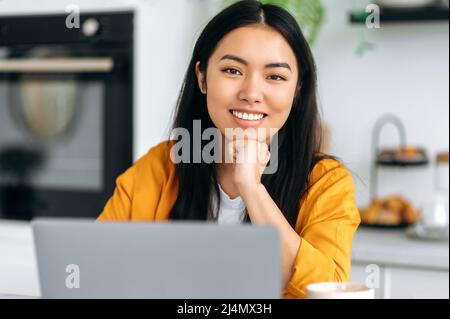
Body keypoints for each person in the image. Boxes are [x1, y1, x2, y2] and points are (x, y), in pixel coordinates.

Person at [98, 0, 361, 299]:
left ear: (297, 90)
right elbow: (96, 270)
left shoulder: (327, 183)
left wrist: (252, 189)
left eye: (274, 76)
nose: (251, 93)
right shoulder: (159, 167)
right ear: (202, 77)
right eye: (233, 70)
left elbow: (328, 292)